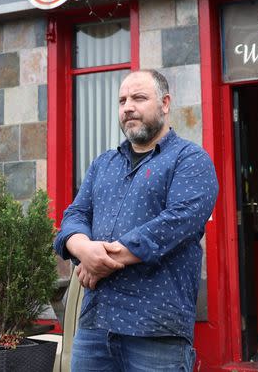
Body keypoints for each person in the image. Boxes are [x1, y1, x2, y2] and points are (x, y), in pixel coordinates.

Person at [53, 69, 219, 372]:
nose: (128, 106)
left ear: (165, 103)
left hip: (155, 329)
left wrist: (100, 259)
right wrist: (83, 250)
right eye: (122, 100)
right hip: (94, 326)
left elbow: (176, 224)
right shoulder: (103, 164)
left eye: (139, 98)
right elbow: (74, 215)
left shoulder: (190, 160)